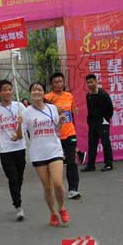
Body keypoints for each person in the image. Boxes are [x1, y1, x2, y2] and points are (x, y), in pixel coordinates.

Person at [23, 83, 70, 226]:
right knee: (47, 186)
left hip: (54, 149)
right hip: (38, 153)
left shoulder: (52, 108)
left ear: (44, 92)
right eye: (34, 90)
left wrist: (61, 122)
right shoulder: (26, 112)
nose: (37, 92)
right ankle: (52, 212)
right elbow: (21, 133)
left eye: (39, 89)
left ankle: (61, 208)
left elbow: (56, 129)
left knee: (57, 183)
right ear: (30, 93)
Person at [0, 79, 26, 221]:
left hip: (20, 147)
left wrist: (21, 129)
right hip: (5, 149)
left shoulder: (19, 106)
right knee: (12, 178)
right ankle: (18, 205)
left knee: (19, 177)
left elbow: (27, 122)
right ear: (0, 92)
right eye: (4, 90)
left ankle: (16, 196)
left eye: (9, 89)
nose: (7, 92)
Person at [45, 72, 81, 200]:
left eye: (60, 81)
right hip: (55, 136)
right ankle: (55, 187)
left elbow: (73, 112)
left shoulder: (69, 96)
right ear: (51, 84)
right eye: (55, 82)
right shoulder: (47, 98)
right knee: (56, 163)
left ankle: (73, 189)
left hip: (70, 133)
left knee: (71, 161)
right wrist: (55, 111)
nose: (58, 84)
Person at [81, 74, 114, 172]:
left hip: (103, 123)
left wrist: (105, 120)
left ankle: (108, 164)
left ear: (96, 82)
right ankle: (91, 165)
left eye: (91, 82)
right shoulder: (88, 95)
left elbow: (110, 108)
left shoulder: (103, 94)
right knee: (92, 144)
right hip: (92, 123)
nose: (90, 84)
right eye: (88, 82)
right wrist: (90, 122)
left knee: (105, 143)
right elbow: (89, 109)